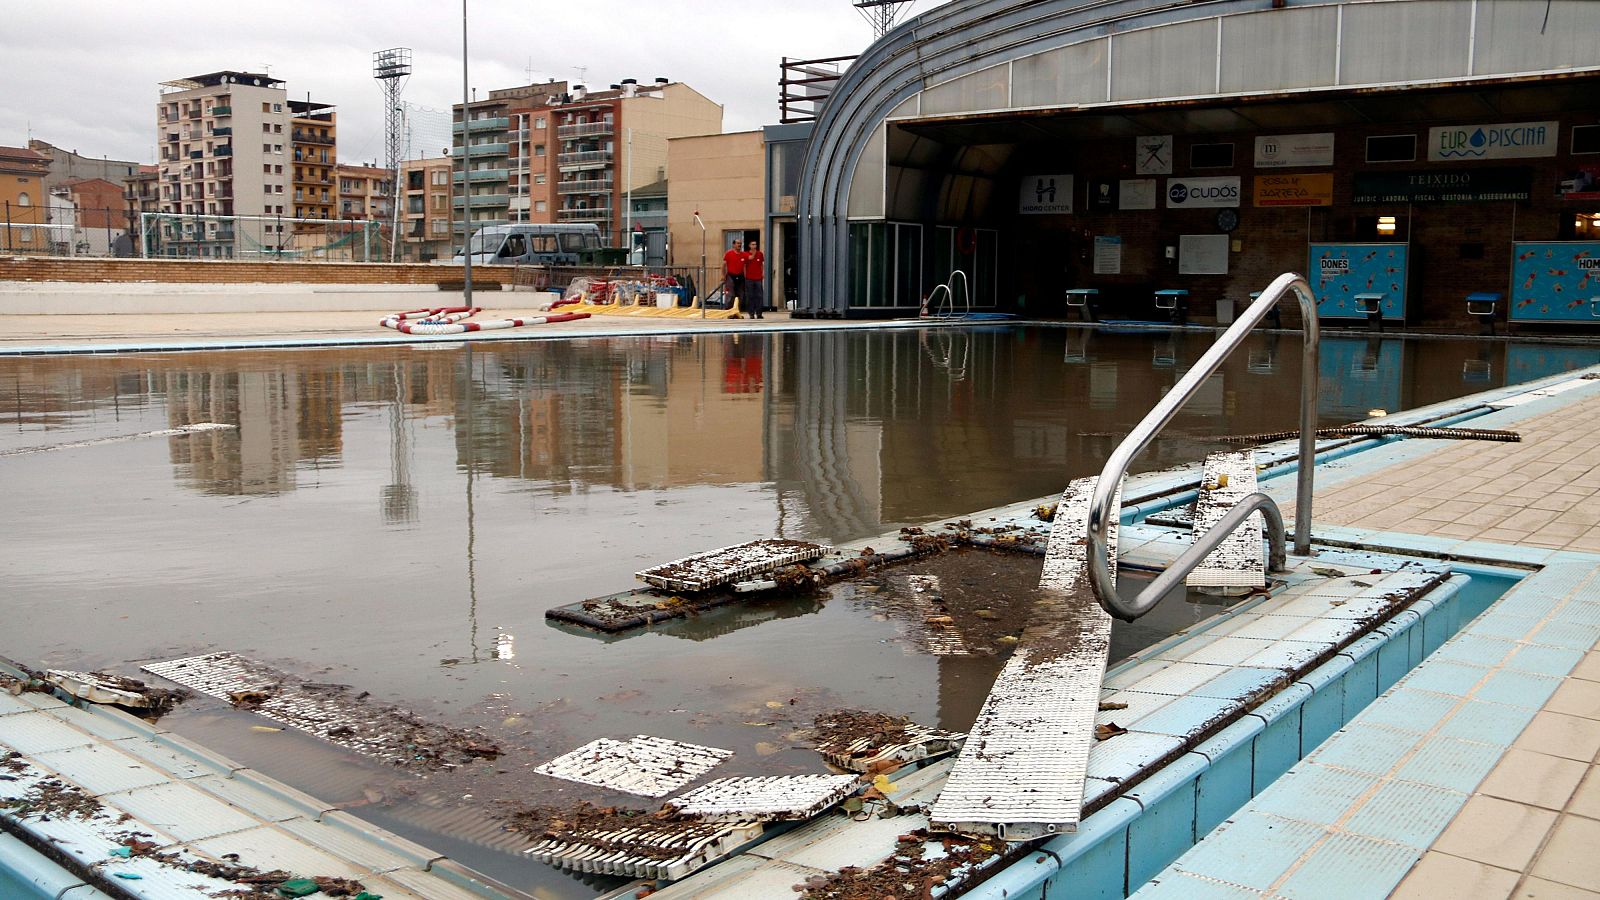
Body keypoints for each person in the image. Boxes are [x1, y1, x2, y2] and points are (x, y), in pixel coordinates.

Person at [744, 238, 766, 319]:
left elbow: (761, 264)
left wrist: (762, 273)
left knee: (759, 295)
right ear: (749, 245)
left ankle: (759, 313)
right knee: (750, 296)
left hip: (758, 278)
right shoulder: (746, 254)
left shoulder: (760, 254)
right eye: (752, 244)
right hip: (749, 278)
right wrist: (745, 275)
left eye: (755, 244)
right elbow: (745, 264)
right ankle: (751, 313)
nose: (754, 246)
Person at [723, 239, 745, 307]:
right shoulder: (728, 254)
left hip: (740, 276)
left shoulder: (743, 254)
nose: (739, 245)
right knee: (730, 294)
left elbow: (745, 266)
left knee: (740, 294)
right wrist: (723, 275)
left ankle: (737, 309)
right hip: (731, 276)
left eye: (740, 243)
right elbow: (724, 265)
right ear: (733, 245)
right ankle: (728, 309)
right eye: (738, 243)